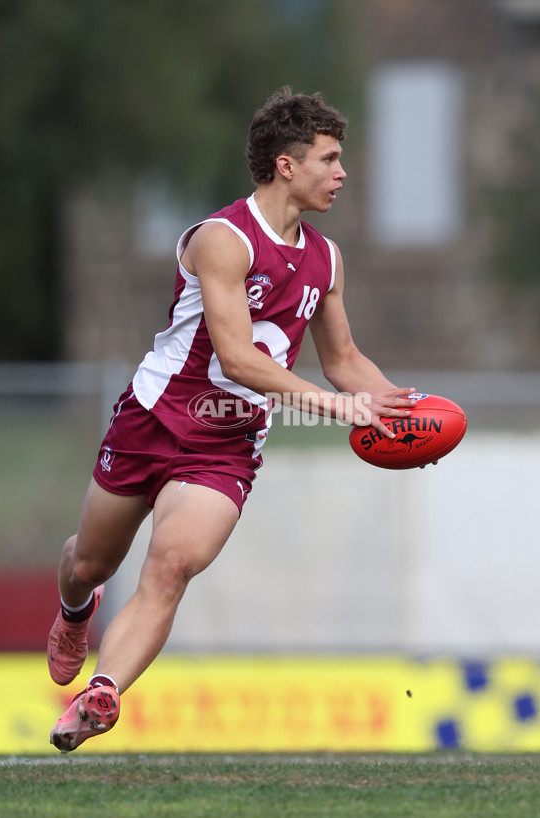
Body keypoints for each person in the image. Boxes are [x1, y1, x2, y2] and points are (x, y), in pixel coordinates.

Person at [48, 87, 417, 753]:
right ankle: (76, 610)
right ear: (286, 164)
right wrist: (335, 408)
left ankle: (103, 691)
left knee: (172, 564)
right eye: (329, 159)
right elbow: (239, 359)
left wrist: (405, 412)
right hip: (154, 418)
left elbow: (344, 360)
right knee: (92, 563)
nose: (341, 173)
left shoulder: (327, 261)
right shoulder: (223, 239)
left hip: (227, 444)